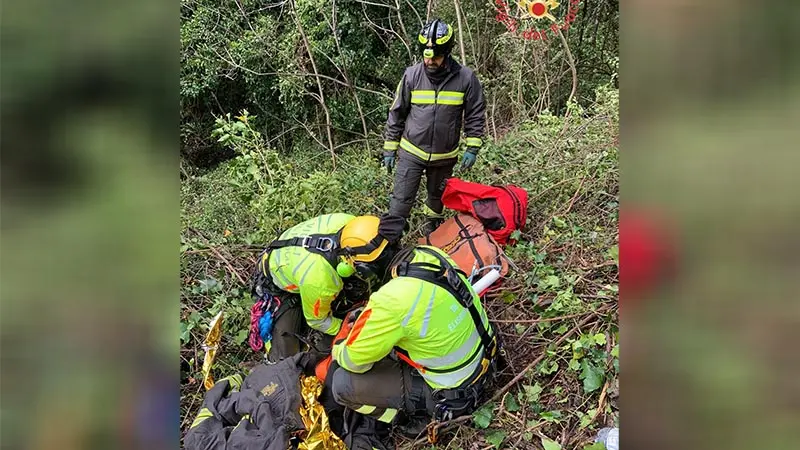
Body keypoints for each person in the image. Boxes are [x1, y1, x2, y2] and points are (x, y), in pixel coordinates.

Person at [328, 244, 498, 436]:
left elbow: (353, 362)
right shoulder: (429, 254)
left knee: (341, 384)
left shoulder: (389, 301)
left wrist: (340, 342)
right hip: (486, 352)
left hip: (455, 393)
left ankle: (405, 420)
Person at [251, 213, 404, 363]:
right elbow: (317, 321)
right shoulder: (320, 280)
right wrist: (346, 328)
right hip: (277, 283)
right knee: (286, 357)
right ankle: (273, 356)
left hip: (294, 255)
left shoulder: (354, 226)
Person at [383, 18, 487, 236]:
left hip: (444, 155)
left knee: (436, 202)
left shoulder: (466, 78)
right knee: (400, 201)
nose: (429, 61)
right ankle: (391, 241)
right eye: (426, 56)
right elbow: (397, 112)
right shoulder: (411, 75)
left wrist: (473, 147)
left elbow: (475, 113)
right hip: (411, 151)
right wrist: (390, 148)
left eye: (436, 57)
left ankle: (431, 236)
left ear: (447, 53)